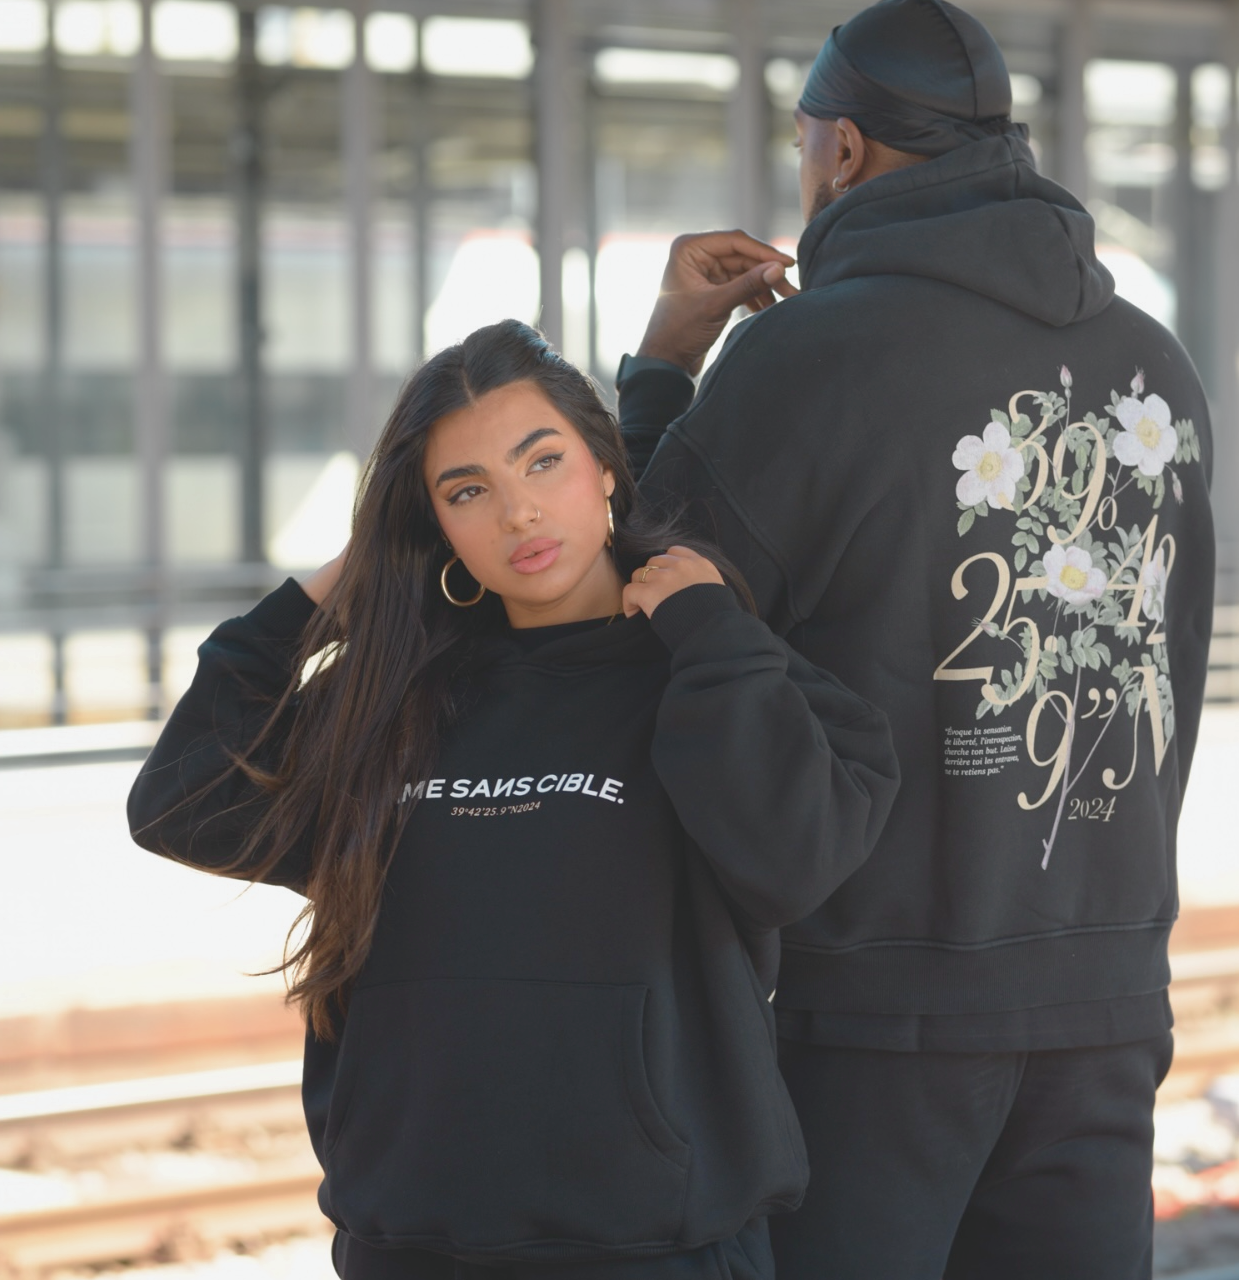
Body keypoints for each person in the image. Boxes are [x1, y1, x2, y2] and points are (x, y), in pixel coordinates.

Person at [616, 0, 1217, 1279]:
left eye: (802, 141)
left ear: (840, 146)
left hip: (874, 1003)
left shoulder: (806, 355)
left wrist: (664, 363)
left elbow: (641, 594)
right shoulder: (1156, 365)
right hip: (1108, 994)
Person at [127, 320, 899, 1280]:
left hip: (652, 1248)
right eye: (468, 491)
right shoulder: (393, 702)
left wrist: (711, 633)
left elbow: (796, 858)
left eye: (543, 462)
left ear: (605, 466)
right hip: (408, 1245)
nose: (519, 513)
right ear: (434, 524)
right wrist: (329, 592)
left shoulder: (709, 669)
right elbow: (181, 797)